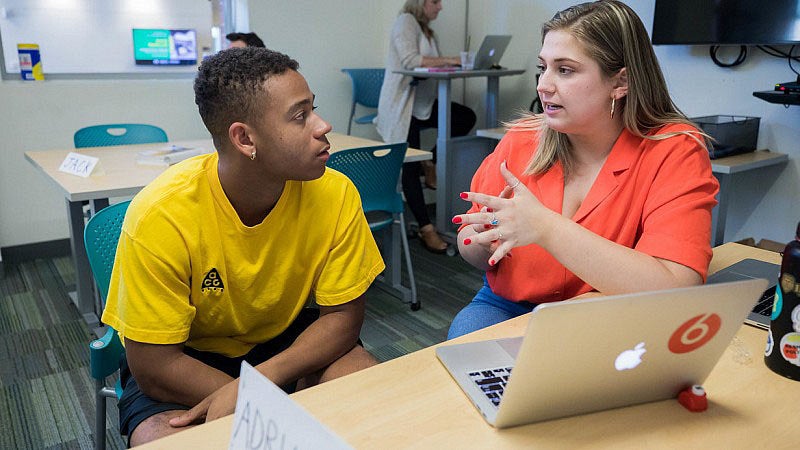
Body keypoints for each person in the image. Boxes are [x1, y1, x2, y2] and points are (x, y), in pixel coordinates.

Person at [101, 47, 384, 445]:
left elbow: (342, 317)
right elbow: (154, 365)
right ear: (245, 138)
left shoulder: (336, 193)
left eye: (313, 109)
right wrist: (260, 397)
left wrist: (260, 383)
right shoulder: (160, 215)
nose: (323, 125)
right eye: (300, 116)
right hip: (189, 356)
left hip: (289, 342)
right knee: (161, 439)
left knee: (377, 403)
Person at [448, 0, 720, 339]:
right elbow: (469, 240)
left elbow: (675, 289)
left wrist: (545, 227)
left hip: (609, 312)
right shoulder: (521, 139)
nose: (543, 85)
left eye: (565, 70)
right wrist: (479, 243)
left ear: (621, 82)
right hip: (509, 306)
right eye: (543, 67)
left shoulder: (674, 150)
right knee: (467, 348)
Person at [376, 0, 476, 254]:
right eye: (435, 1)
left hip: (425, 103)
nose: (440, 7)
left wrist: (451, 63)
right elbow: (410, 60)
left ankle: (429, 162)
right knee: (409, 163)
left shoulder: (427, 30)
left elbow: (429, 64)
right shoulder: (405, 22)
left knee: (465, 117)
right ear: (420, 2)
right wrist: (452, 59)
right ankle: (426, 227)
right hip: (402, 106)